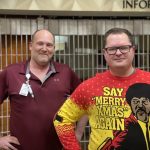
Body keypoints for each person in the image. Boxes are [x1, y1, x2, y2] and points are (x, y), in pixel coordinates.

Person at [54, 27, 150, 150]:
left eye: (124, 47)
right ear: (104, 53)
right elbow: (61, 119)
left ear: (133, 50)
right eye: (112, 49)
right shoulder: (89, 86)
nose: (118, 53)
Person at [0, 29, 85, 150]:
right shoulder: (11, 72)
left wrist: (78, 134)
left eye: (49, 45)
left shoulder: (65, 72)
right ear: (30, 46)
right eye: (40, 43)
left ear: (54, 48)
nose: (44, 48)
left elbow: (85, 103)